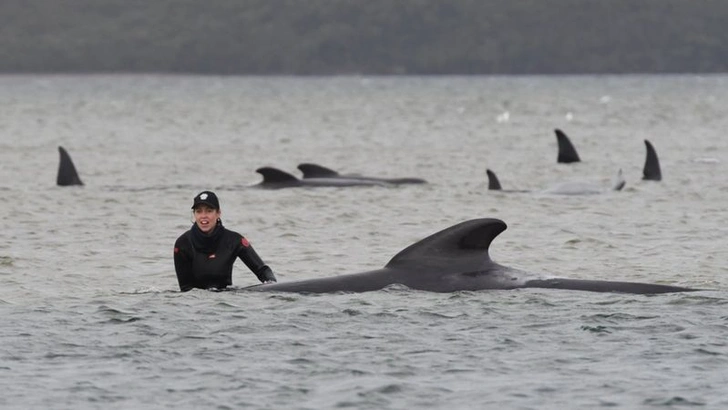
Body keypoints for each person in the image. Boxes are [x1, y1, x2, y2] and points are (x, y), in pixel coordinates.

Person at [174, 191, 276, 292]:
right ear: (194, 214)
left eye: (209, 211)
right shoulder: (183, 244)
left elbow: (263, 271)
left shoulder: (234, 240)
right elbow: (185, 289)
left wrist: (273, 287)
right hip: (196, 304)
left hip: (226, 302)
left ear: (218, 213)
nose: (203, 216)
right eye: (199, 211)